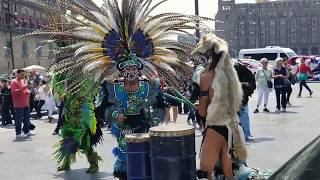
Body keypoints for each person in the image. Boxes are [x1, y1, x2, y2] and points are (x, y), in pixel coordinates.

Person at [193, 34, 247, 180]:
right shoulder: (231, 74)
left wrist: (200, 104)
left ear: (209, 56)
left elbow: (202, 111)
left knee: (205, 173)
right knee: (228, 172)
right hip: (233, 128)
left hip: (215, 128)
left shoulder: (207, 76)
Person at [10, 69, 33, 138]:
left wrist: (27, 91)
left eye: (24, 74)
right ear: (17, 74)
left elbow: (25, 89)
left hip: (25, 102)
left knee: (27, 118)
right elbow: (14, 92)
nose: (23, 76)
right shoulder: (13, 82)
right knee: (19, 119)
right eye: (22, 74)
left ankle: (26, 131)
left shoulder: (23, 81)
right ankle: (18, 133)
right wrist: (24, 88)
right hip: (18, 104)